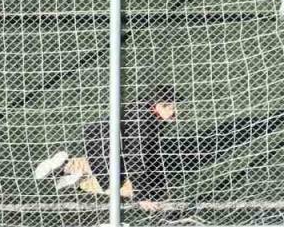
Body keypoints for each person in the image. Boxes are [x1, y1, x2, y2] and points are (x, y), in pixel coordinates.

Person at [31, 85, 180, 211]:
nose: (177, 113)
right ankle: (72, 173)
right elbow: (136, 158)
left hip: (102, 144)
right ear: (161, 105)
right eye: (173, 108)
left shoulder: (145, 108)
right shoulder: (144, 124)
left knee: (110, 170)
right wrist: (142, 196)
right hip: (105, 149)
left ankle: (70, 165)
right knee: (123, 188)